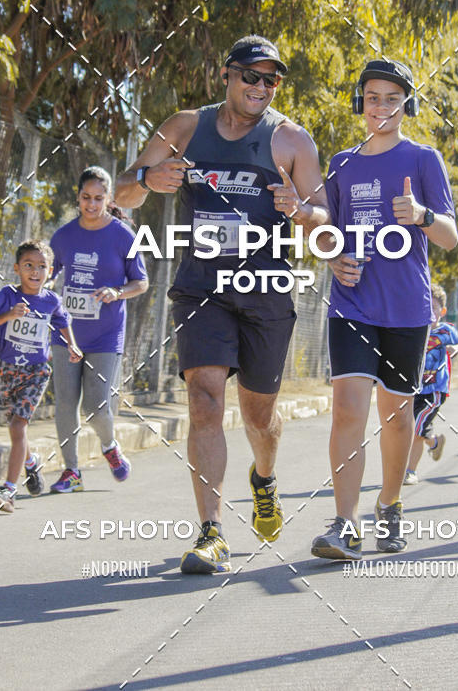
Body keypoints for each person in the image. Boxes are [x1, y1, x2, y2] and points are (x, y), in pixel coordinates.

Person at [115, 34, 329, 574]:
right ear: (227, 75)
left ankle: (264, 478)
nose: (261, 87)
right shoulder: (185, 127)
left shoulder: (291, 141)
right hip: (201, 286)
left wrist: (300, 210)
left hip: (266, 290)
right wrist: (147, 177)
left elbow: (326, 228)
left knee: (259, 416)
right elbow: (122, 194)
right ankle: (211, 532)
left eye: (271, 79)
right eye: (251, 76)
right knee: (205, 401)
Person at [311, 58, 458, 561]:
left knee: (396, 419)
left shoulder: (424, 159)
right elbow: (322, 226)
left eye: (392, 98)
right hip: (352, 304)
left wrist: (422, 216)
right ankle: (344, 524)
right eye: (373, 97)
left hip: (407, 308)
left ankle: (390, 505)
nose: (381, 106)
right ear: (361, 103)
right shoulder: (341, 163)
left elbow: (451, 237)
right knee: (348, 409)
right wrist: (332, 256)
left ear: (406, 105)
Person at [48, 166, 148, 493]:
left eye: (98, 198)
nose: (91, 205)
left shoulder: (123, 236)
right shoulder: (62, 237)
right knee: (65, 403)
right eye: (86, 198)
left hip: (106, 335)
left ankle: (109, 447)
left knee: (96, 407)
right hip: (67, 334)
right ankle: (72, 471)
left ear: (108, 199)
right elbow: (49, 273)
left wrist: (117, 292)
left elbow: (141, 282)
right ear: (77, 197)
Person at [0, 240, 82, 513]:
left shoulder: (51, 301)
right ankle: (32, 464)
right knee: (15, 425)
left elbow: (62, 322)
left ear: (50, 271)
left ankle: (8, 490)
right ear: (17, 269)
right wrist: (9, 315)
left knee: (17, 426)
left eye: (42, 266)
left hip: (37, 371)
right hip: (8, 369)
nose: (35, 271)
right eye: (29, 266)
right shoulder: (7, 295)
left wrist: (72, 344)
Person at [404, 282, 458, 485]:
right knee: (414, 429)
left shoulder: (446, 331)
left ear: (443, 311)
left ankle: (410, 472)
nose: (429, 311)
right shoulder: (415, 329)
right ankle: (435, 442)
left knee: (417, 426)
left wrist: (455, 350)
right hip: (414, 388)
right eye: (425, 306)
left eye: (434, 308)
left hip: (435, 389)